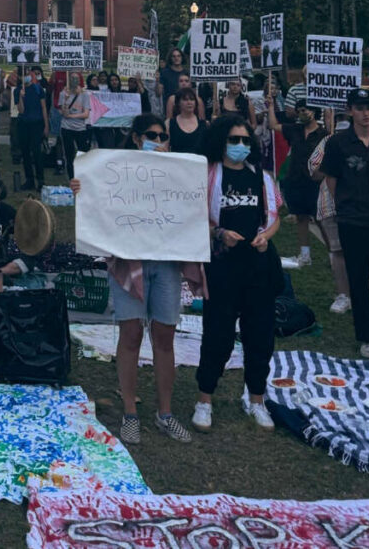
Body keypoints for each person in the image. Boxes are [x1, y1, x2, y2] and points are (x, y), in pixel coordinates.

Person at [72, 114, 195, 445]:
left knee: (165, 336)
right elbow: (97, 199)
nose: (159, 140)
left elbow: (194, 208)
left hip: (167, 263)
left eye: (163, 135)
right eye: (152, 135)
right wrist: (80, 190)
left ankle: (165, 413)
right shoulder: (119, 170)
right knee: (130, 334)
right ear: (138, 138)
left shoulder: (181, 174)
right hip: (130, 263)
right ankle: (130, 412)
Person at [193, 115, 282, 433]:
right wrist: (219, 234)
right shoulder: (207, 176)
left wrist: (266, 236)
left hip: (259, 267)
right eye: (233, 140)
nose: (240, 146)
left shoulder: (262, 178)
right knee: (217, 334)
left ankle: (256, 399)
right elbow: (194, 218)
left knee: (260, 336)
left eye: (246, 140)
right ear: (221, 142)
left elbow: (274, 218)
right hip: (222, 267)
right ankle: (204, 399)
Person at [317, 88, 369, 367]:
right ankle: (368, 337)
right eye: (359, 107)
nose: (365, 112)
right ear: (350, 110)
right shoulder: (338, 143)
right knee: (358, 278)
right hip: (354, 221)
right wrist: (346, 205)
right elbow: (331, 179)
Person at [308, 115, 369, 317]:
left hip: (363, 207)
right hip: (331, 206)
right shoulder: (327, 142)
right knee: (338, 251)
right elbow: (314, 173)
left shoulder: (368, 142)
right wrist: (330, 161)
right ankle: (344, 296)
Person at [267, 97, 325, 266]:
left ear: (314, 111)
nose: (302, 113)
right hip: (296, 180)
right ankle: (304, 254)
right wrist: (270, 107)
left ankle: (333, 253)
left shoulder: (324, 133)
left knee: (321, 220)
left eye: (305, 110)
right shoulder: (295, 130)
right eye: (299, 111)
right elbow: (273, 126)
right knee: (301, 218)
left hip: (316, 182)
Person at [16, 65, 48, 189]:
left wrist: (46, 125)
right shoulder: (17, 90)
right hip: (23, 124)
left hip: (37, 124)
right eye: (23, 75)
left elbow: (44, 107)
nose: (27, 76)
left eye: (28, 73)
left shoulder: (38, 88)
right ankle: (29, 180)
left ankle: (40, 180)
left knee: (37, 152)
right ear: (20, 77)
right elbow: (21, 110)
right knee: (25, 153)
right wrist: (20, 97)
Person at [58, 75, 90, 181]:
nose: (74, 80)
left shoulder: (84, 95)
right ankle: (72, 178)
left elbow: (86, 114)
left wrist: (72, 116)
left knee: (83, 153)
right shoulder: (63, 94)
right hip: (67, 128)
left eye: (76, 78)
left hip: (80, 128)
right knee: (69, 154)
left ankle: (84, 176)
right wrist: (66, 101)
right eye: (72, 78)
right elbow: (63, 113)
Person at [168, 88, 207, 154]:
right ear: (178, 103)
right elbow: (165, 148)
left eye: (192, 99)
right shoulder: (169, 124)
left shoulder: (204, 124)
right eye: (185, 100)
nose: (189, 102)